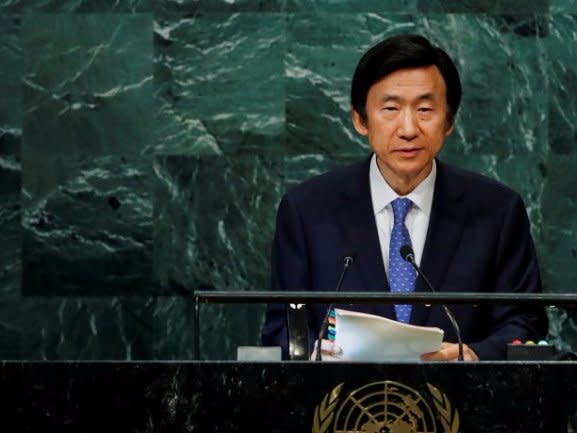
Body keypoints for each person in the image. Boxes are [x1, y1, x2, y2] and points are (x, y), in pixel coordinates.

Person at [261, 34, 547, 361]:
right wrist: (313, 355)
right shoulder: (307, 211)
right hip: (339, 405)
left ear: (449, 121)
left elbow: (525, 321)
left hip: (464, 403)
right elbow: (282, 326)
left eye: (425, 109)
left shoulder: (497, 211)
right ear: (360, 119)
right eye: (391, 108)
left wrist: (473, 356)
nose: (408, 128)